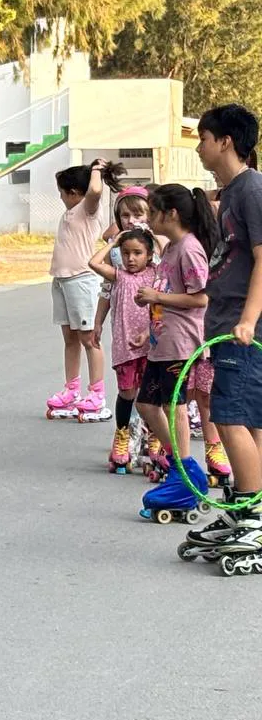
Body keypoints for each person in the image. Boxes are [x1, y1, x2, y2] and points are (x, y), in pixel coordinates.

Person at [182, 105, 262, 569]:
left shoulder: (252, 190)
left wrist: (249, 319)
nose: (199, 147)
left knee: (228, 417)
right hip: (227, 323)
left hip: (242, 328)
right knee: (250, 420)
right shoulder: (231, 192)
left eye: (204, 138)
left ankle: (250, 513)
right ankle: (248, 509)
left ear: (226, 142)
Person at [130, 184, 216, 522]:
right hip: (162, 342)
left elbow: (201, 297)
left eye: (153, 212)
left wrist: (157, 298)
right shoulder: (170, 249)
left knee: (174, 407)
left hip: (181, 343)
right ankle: (185, 467)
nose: (149, 219)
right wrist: (146, 328)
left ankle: (183, 477)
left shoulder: (190, 250)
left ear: (172, 214)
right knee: (146, 404)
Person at [43, 159, 126, 422]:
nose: (61, 197)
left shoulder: (86, 209)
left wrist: (97, 171)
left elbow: (96, 191)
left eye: (62, 193)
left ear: (74, 193)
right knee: (70, 338)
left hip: (81, 280)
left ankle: (97, 394)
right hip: (62, 280)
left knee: (89, 339)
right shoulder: (70, 212)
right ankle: (71, 390)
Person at [89, 228, 159, 472]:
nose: (131, 258)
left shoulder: (156, 276)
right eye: (126, 253)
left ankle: (154, 437)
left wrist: (155, 239)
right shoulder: (118, 276)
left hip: (151, 346)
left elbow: (166, 254)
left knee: (150, 396)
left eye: (138, 253)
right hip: (125, 347)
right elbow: (93, 262)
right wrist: (114, 242)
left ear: (149, 255)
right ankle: (121, 435)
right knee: (127, 393)